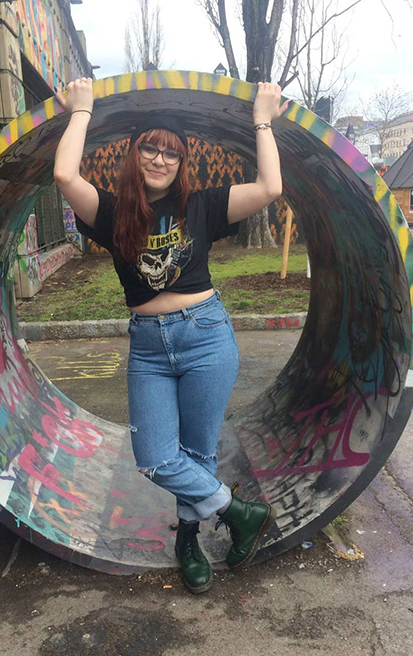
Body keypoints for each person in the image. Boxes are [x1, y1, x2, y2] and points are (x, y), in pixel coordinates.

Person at [54, 77, 290, 594]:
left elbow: (271, 188)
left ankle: (189, 540)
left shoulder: (202, 206)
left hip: (205, 335)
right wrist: (82, 111)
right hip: (148, 346)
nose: (161, 159)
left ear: (182, 163)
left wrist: (263, 121)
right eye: (150, 147)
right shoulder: (111, 212)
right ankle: (238, 512)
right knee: (157, 457)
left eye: (172, 153)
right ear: (134, 153)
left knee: (198, 454)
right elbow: (63, 173)